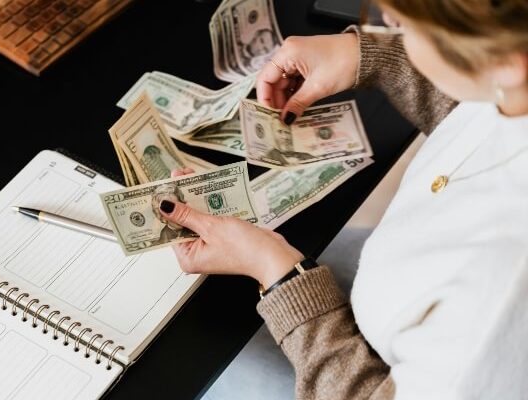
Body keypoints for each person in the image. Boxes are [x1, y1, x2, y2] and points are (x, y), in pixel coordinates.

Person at [159, 0, 528, 398]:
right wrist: (370, 56)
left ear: (506, 61)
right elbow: (479, 115)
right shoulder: (513, 93)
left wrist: (278, 273)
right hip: (384, 285)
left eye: (403, 22)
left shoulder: (500, 293)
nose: (388, 25)